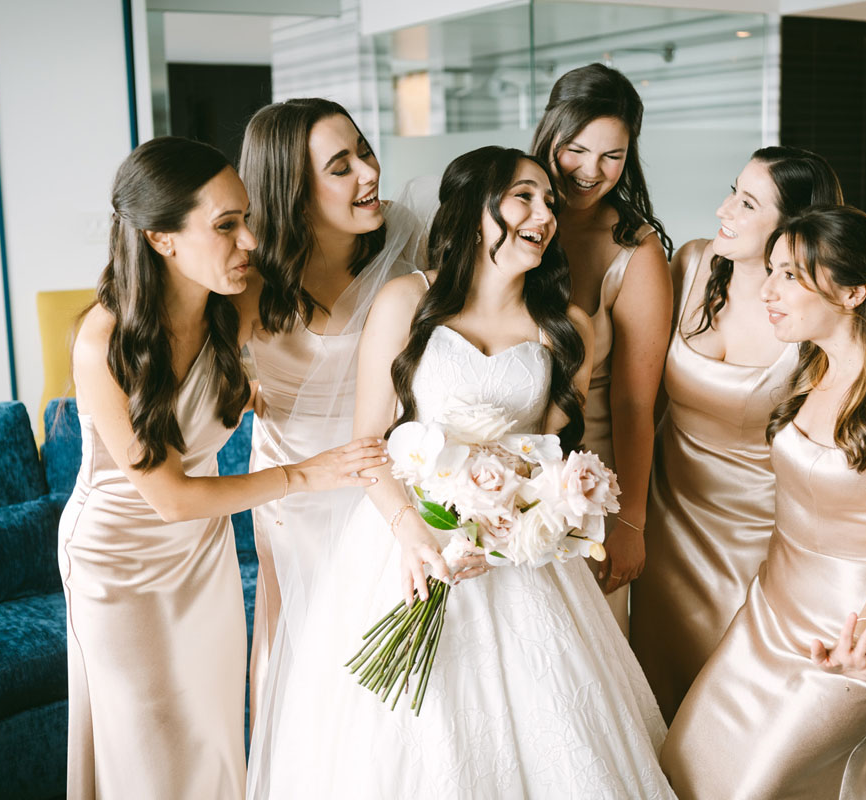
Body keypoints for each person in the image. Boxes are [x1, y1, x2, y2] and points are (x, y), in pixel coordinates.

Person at [247, 147, 672, 799]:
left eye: (548, 203)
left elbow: (551, 457)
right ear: (476, 213)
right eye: (524, 197)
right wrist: (415, 535)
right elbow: (368, 445)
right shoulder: (407, 301)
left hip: (514, 559)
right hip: (403, 546)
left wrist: (530, 513)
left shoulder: (568, 327)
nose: (544, 214)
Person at [59, 136, 386, 800]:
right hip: (118, 565)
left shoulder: (238, 298)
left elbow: (339, 305)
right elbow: (172, 499)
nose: (249, 242)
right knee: (146, 749)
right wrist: (305, 474)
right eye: (227, 226)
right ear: (161, 239)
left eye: (248, 218)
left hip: (201, 557)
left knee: (212, 735)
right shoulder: (105, 342)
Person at [661, 205, 866, 799]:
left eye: (789, 275)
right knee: (686, 767)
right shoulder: (810, 367)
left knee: (754, 788)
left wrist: (857, 642)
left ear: (852, 291)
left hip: (852, 633)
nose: (766, 289)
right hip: (769, 612)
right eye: (771, 270)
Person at [630, 146, 843, 719]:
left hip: (756, 540)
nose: (724, 208)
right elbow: (637, 394)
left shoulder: (812, 317)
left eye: (747, 203)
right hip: (666, 522)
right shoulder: (691, 265)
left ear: (790, 231)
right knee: (654, 696)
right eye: (733, 190)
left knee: (733, 709)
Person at [234, 99, 422, 729]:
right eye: (340, 167)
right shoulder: (248, 275)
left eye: (364, 152)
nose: (369, 173)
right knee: (311, 660)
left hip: (394, 475)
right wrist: (234, 377)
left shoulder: (409, 238)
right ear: (293, 190)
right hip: (300, 491)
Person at [529, 63, 673, 635]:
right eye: (577, 150)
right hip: (489, 475)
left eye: (612, 156)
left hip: (587, 483)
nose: (592, 171)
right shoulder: (507, 217)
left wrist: (629, 522)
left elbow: (638, 405)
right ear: (549, 136)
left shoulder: (634, 253)